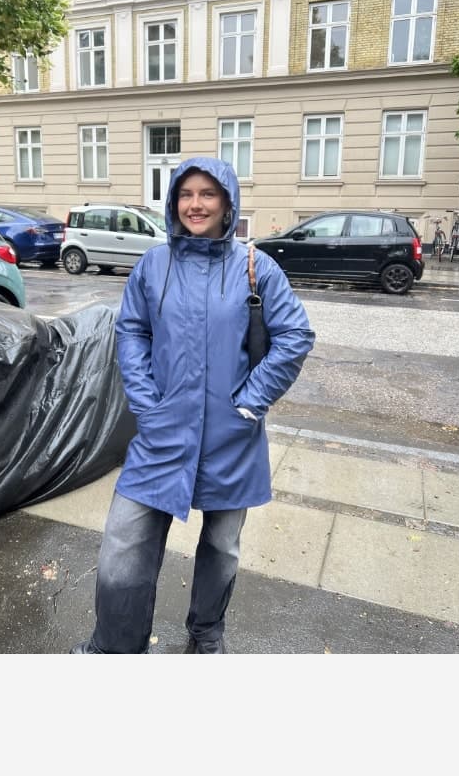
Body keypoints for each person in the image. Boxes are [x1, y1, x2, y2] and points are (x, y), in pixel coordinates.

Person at [72, 157, 314, 654]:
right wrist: (145, 402)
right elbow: (132, 330)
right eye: (186, 194)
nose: (196, 204)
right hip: (162, 432)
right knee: (124, 544)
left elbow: (295, 336)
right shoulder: (152, 265)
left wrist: (251, 402)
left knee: (221, 548)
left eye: (208, 194)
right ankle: (116, 648)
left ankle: (206, 639)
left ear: (227, 203)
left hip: (233, 436)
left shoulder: (256, 267)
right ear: (173, 202)